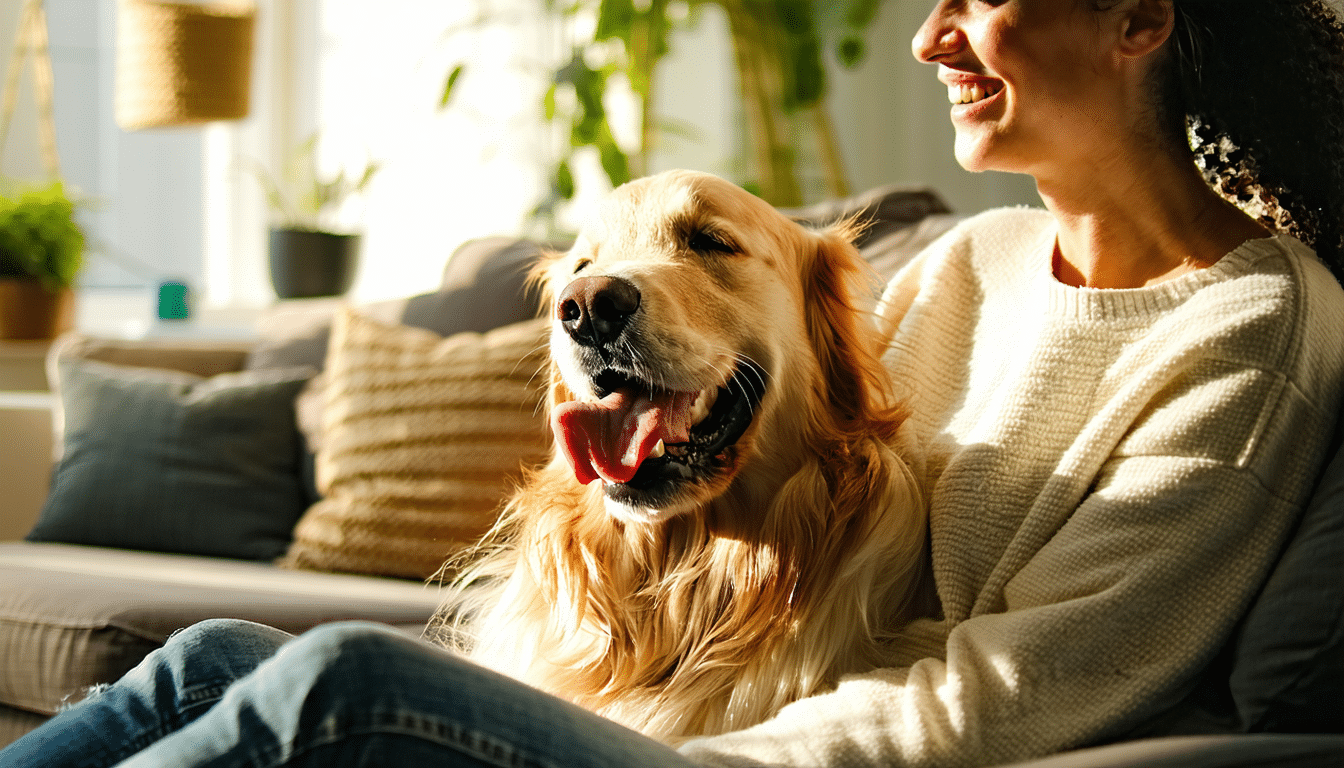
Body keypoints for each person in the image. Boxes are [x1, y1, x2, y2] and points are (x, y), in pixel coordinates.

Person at [4, 1, 1343, 766]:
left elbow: (1014, 690)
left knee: (344, 679)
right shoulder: (981, 259)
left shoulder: (1248, 334)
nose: (932, 34)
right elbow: (823, 452)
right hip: (733, 702)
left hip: (795, 764)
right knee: (214, 659)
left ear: (1137, 17)